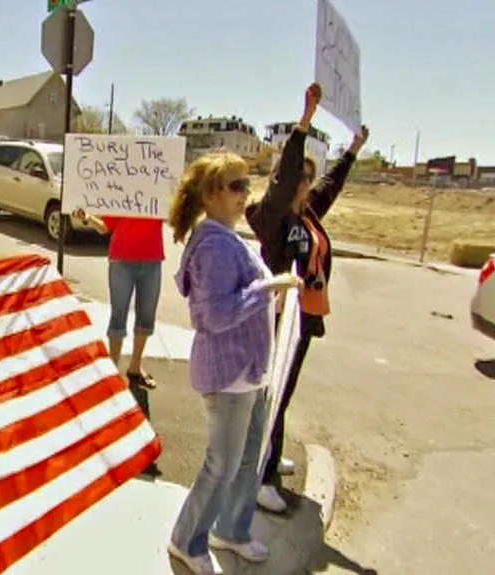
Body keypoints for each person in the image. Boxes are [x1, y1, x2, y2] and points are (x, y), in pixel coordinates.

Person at [165, 151, 301, 575]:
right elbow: (214, 315)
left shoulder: (226, 235)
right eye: (236, 186)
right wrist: (269, 288)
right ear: (209, 195)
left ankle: (233, 531)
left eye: (248, 184)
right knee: (222, 464)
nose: (247, 194)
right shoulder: (215, 244)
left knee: (246, 461)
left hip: (248, 371)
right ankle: (186, 539)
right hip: (229, 376)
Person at [245, 82, 369, 514]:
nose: (308, 185)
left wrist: (353, 149)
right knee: (271, 391)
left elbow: (332, 185)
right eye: (302, 179)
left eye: (309, 180)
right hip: (276, 316)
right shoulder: (270, 217)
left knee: (284, 390)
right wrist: (305, 121)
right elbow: (280, 184)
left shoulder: (309, 212)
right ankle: (258, 478)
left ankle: (270, 457)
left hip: (304, 318)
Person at [71, 208, 164, 410]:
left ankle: (135, 367)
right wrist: (86, 218)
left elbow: (175, 215)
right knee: (118, 314)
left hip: (152, 259)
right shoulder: (124, 186)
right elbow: (105, 227)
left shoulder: (159, 184)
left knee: (146, 316)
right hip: (122, 261)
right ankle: (113, 369)